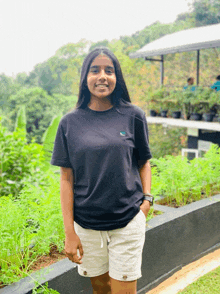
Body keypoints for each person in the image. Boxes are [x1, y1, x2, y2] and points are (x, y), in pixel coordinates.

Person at [51, 47, 152, 294]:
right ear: (85, 77)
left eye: (109, 70)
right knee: (100, 289)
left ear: (117, 78)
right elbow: (66, 179)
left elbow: (143, 162)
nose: (102, 76)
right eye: (95, 70)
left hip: (127, 221)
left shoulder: (133, 115)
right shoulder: (69, 123)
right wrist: (69, 233)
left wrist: (147, 200)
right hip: (86, 225)